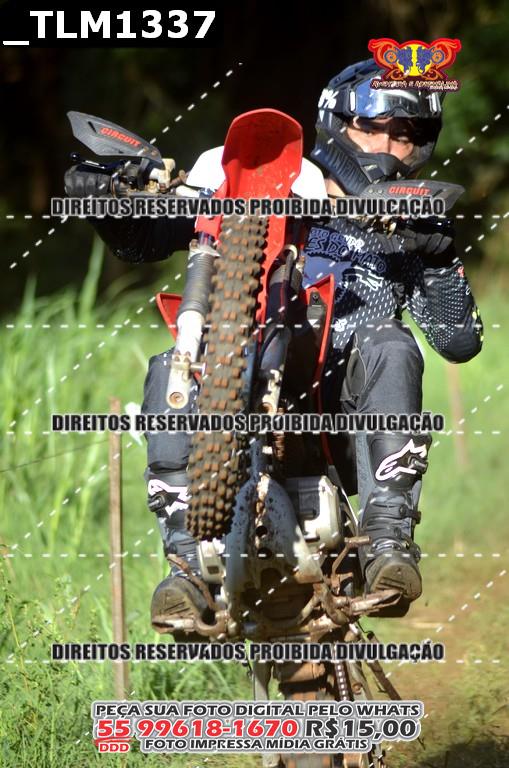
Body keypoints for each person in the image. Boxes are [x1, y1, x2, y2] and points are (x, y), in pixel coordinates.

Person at [64, 58, 483, 629]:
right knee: (170, 366)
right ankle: (187, 566)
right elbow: (147, 238)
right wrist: (107, 203)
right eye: (372, 127)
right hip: (237, 399)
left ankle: (388, 541)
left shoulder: (407, 225)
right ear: (338, 124)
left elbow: (458, 340)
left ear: (422, 148)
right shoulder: (275, 183)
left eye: (405, 136)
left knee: (390, 341)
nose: (387, 146)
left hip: (347, 421)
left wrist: (437, 255)